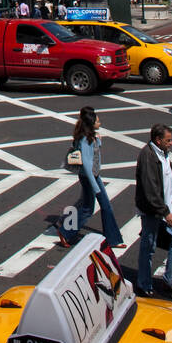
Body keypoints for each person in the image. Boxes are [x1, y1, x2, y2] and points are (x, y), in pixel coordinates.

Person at [56, 107, 125, 250]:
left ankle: (112, 239)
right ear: (91, 123)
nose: (99, 122)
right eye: (97, 121)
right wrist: (95, 186)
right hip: (90, 178)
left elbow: (93, 157)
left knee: (100, 207)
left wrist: (98, 141)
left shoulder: (89, 138)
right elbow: (87, 165)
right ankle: (65, 232)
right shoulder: (85, 140)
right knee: (90, 208)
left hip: (92, 176)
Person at [136, 124, 172, 301]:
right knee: (148, 247)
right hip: (154, 210)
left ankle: (170, 281)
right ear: (158, 140)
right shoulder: (148, 156)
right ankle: (144, 285)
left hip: (167, 207)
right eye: (168, 140)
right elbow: (151, 190)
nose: (171, 143)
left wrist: (169, 208)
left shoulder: (162, 153)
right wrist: (166, 213)